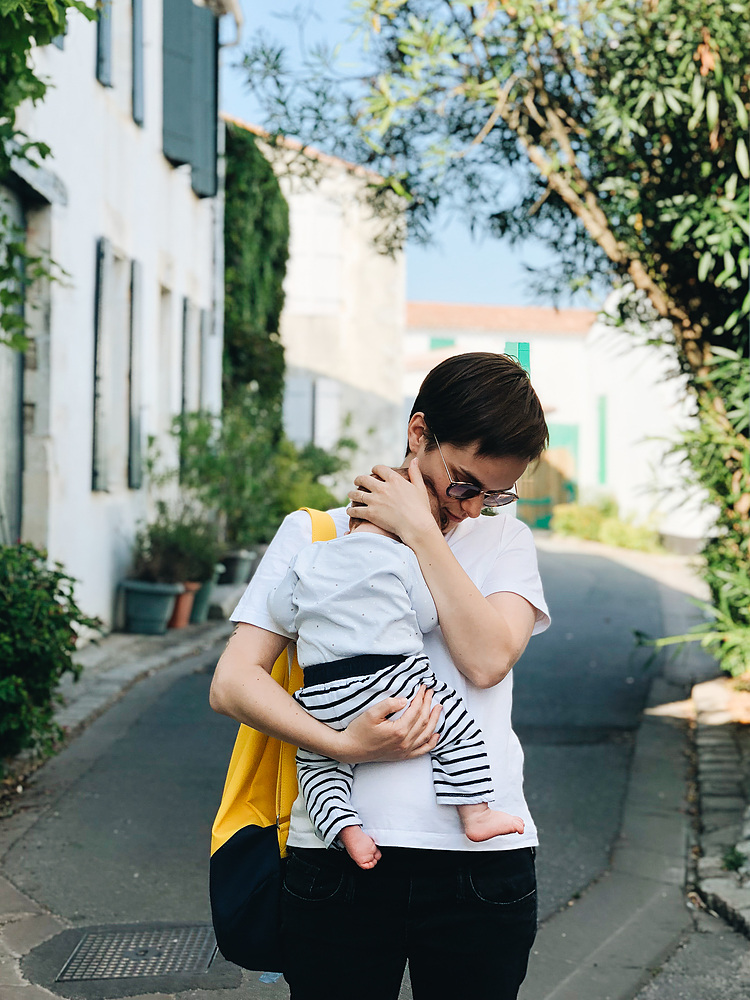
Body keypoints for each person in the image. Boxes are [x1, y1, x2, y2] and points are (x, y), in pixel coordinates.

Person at [210, 352, 551, 1000]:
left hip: (481, 872)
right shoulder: (316, 535)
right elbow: (232, 682)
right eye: (463, 483)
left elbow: (483, 660)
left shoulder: (506, 544)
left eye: (497, 493)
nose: (475, 509)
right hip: (337, 863)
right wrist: (341, 745)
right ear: (418, 433)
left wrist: (422, 530)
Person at [266, 468, 525, 870]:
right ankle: (475, 812)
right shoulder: (403, 556)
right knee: (453, 722)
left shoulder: (310, 554)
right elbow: (425, 617)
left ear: (351, 518)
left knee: (316, 765)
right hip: (390, 679)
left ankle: (343, 828)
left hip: (322, 693)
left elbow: (282, 612)